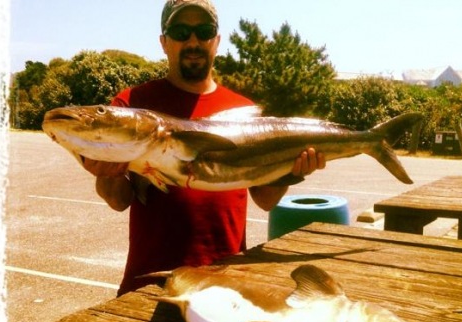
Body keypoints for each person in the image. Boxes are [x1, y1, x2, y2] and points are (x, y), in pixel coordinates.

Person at [82, 0, 325, 296]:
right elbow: (118, 200)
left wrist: (292, 172)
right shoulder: (132, 105)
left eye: (204, 31)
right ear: (164, 42)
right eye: (181, 31)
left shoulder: (244, 112)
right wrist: (107, 173)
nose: (194, 41)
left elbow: (266, 199)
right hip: (150, 283)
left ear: (217, 41)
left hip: (228, 281)